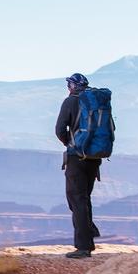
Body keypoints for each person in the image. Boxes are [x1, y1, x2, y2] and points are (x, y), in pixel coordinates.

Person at [55, 72, 101, 259]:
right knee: (84, 198)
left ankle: (83, 246)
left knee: (76, 198)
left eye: (69, 85)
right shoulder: (96, 102)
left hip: (77, 157)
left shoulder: (71, 102)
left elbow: (59, 129)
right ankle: (89, 231)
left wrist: (70, 144)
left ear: (72, 86)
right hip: (95, 156)